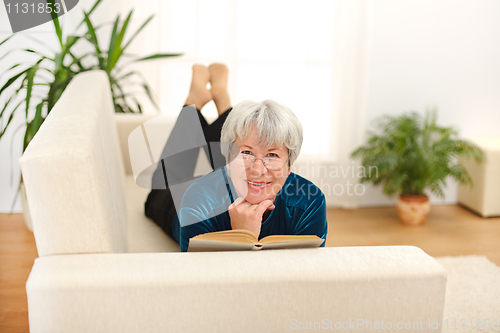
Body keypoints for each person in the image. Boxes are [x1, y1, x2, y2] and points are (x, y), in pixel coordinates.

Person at [145, 64, 328, 252]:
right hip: (196, 194)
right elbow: (206, 278)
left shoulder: (309, 203)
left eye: (272, 155)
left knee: (247, 148)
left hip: (229, 180)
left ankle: (219, 98)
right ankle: (196, 100)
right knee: (160, 188)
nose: (258, 169)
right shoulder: (197, 203)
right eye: (247, 153)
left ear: (289, 165)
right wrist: (242, 236)